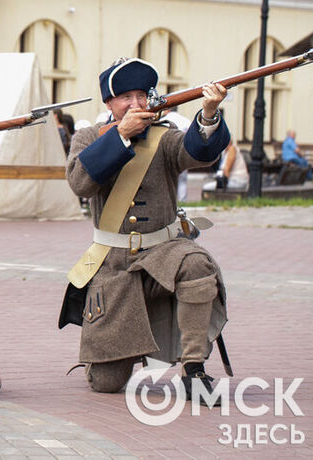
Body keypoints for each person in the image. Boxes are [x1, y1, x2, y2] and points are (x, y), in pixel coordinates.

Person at [62, 57, 231, 405]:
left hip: (164, 252)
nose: (136, 104)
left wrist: (210, 114)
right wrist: (121, 136)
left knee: (198, 264)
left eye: (142, 95)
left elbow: (199, 152)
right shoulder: (89, 138)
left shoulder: (165, 136)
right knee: (106, 383)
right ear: (109, 103)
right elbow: (81, 183)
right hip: (113, 264)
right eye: (126, 97)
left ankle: (193, 368)